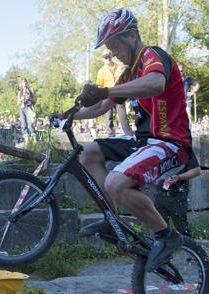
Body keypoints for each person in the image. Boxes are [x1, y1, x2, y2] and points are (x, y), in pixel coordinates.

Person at [70, 8, 192, 272]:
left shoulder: (152, 55)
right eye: (109, 47)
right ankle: (111, 220)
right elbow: (102, 106)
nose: (112, 52)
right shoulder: (128, 73)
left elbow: (155, 84)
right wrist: (68, 114)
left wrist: (107, 89)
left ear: (132, 35)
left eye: (114, 45)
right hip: (145, 140)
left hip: (170, 142)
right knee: (89, 153)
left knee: (116, 182)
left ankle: (166, 235)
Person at [154, 151, 200, 237]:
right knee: (159, 230)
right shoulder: (156, 149)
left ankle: (188, 248)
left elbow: (196, 171)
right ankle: (165, 248)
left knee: (182, 228)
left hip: (177, 194)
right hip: (159, 193)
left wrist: (179, 177)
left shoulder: (184, 149)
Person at [96, 50, 133, 137]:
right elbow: (99, 86)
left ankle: (129, 135)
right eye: (105, 57)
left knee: (122, 116)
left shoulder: (119, 67)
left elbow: (124, 80)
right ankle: (111, 135)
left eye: (109, 56)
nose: (107, 58)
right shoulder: (101, 71)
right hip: (107, 95)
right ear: (103, 59)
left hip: (119, 94)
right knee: (108, 117)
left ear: (112, 56)